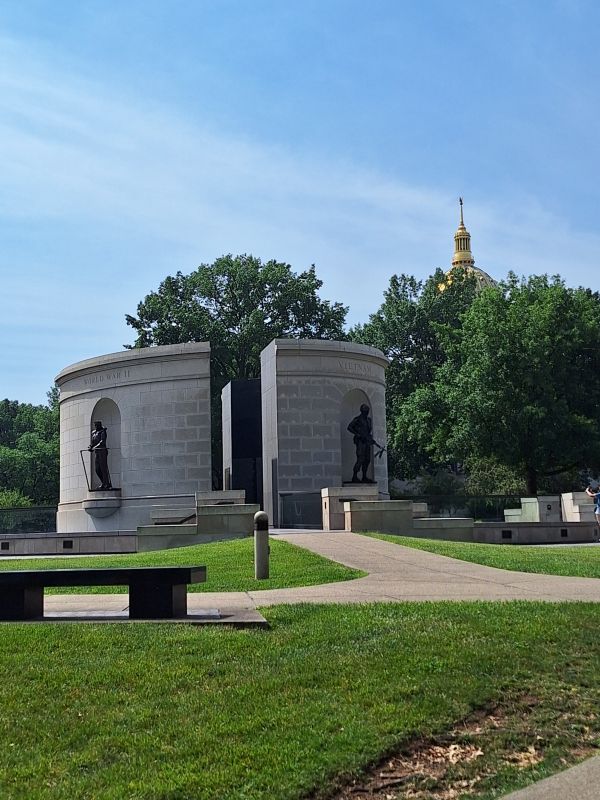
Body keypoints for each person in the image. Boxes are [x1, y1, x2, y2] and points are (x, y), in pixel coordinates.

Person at [347, 404, 375, 483]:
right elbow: (349, 427)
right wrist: (357, 434)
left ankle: (364, 476)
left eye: (367, 411)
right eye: (365, 411)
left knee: (367, 460)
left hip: (367, 442)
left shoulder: (369, 420)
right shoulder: (357, 419)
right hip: (360, 442)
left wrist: (370, 439)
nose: (366, 412)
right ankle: (354, 476)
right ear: (362, 411)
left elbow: (368, 432)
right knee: (360, 459)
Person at [89, 420, 112, 490]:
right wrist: (90, 446)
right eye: (95, 425)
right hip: (97, 452)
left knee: (103, 468)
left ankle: (107, 484)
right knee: (97, 469)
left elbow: (102, 442)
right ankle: (103, 482)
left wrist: (94, 447)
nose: (96, 427)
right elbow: (93, 442)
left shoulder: (103, 432)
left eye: (97, 425)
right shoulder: (94, 433)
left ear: (100, 425)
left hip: (102, 451)